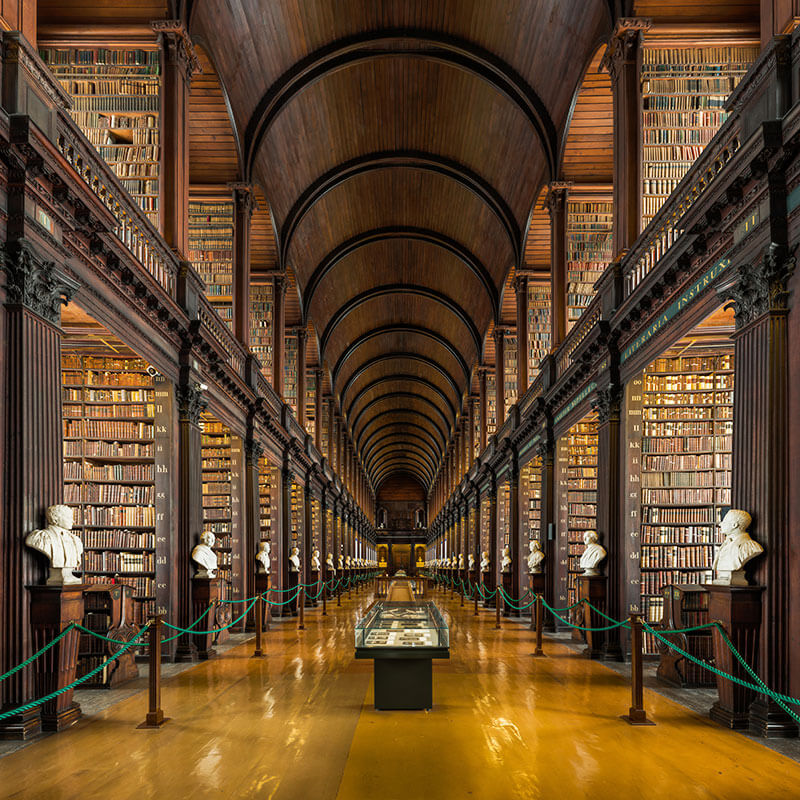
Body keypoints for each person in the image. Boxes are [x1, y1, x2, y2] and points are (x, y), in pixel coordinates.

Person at [25, 504, 83, 585]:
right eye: (68, 518)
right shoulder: (40, 537)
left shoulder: (75, 541)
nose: (73, 521)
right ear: (56, 519)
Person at [712, 509, 763, 586]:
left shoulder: (752, 547)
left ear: (734, 525)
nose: (720, 524)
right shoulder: (725, 544)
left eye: (724, 522)